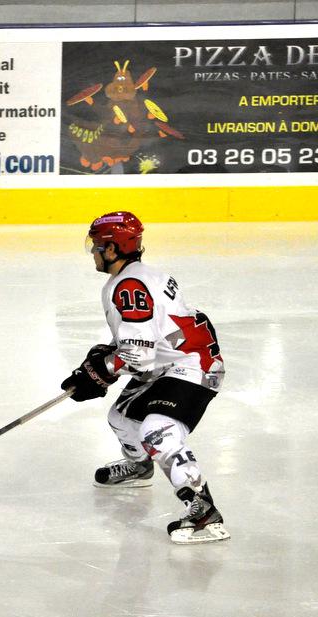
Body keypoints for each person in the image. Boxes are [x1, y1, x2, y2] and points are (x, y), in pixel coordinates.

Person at [61, 211, 229, 544]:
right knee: (121, 419)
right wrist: (101, 363)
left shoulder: (128, 286)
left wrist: (100, 372)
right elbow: (145, 338)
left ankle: (204, 512)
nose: (93, 252)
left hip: (192, 365)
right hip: (168, 363)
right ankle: (141, 467)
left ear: (112, 249)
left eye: (97, 246)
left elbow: (139, 356)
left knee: (156, 430)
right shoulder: (141, 276)